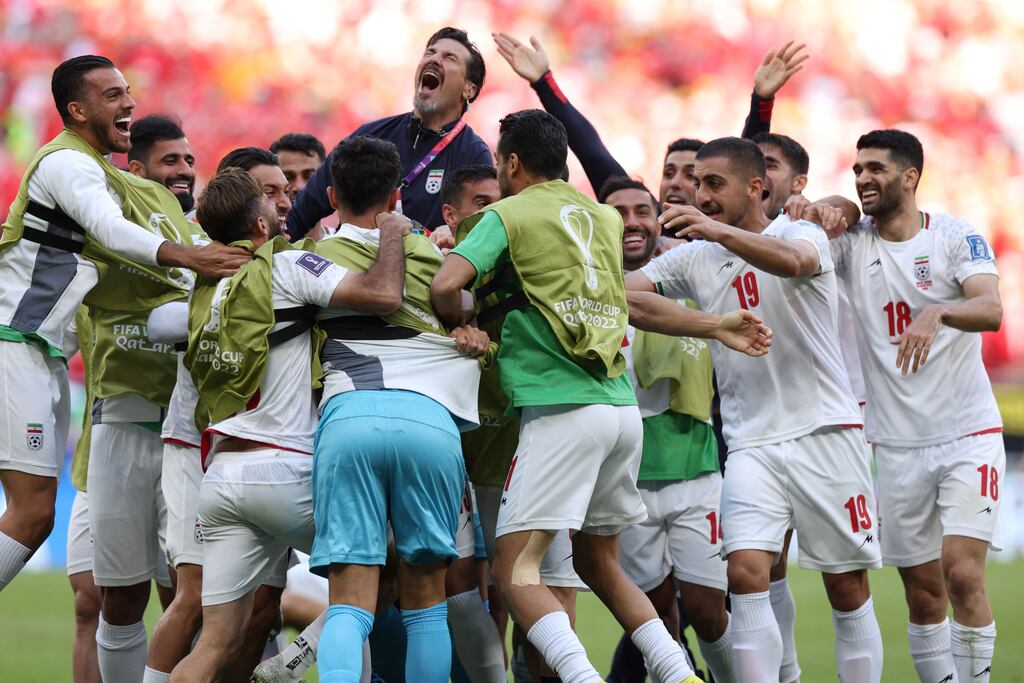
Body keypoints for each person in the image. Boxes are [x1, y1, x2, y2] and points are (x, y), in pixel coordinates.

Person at [431, 110, 771, 683]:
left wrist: (459, 323)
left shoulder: (506, 215)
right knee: (600, 562)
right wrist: (714, 325)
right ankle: (678, 672)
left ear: (511, 163)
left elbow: (445, 285)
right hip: (619, 411)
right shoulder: (600, 219)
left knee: (516, 567)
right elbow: (633, 305)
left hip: (561, 411)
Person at [627, 137, 884, 683]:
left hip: (825, 432)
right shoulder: (695, 256)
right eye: (698, 184)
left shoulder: (798, 232)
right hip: (750, 446)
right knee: (746, 576)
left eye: (713, 183)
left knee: (846, 586)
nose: (702, 194)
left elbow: (795, 262)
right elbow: (627, 295)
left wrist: (719, 230)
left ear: (756, 187)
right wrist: (707, 323)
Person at [168, 164, 409, 681]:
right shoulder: (288, 267)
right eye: (268, 200)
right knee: (397, 554)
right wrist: (391, 232)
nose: (281, 206)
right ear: (256, 225)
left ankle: (283, 664)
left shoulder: (207, 287)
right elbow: (384, 295)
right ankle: (293, 663)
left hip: (222, 476)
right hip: (284, 468)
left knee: (213, 646)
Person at [818, 130, 1003, 683]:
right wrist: (833, 206)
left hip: (968, 435)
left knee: (962, 574)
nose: (862, 178)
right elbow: (811, 228)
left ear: (910, 178)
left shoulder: (954, 236)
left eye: (875, 168)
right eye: (857, 170)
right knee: (924, 597)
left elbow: (990, 308)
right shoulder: (853, 245)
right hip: (896, 447)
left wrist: (939, 311)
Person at [305, 135, 490, 683]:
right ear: (396, 197)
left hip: (349, 420)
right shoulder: (435, 256)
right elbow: (466, 309)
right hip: (430, 423)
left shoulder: (309, 259)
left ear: (332, 193)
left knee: (349, 603)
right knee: (426, 603)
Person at [598, 176, 737, 683]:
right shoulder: (583, 291)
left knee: (707, 612)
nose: (632, 222)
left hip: (694, 469)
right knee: (657, 622)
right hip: (624, 483)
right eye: (618, 213)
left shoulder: (691, 277)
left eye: (642, 211)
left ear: (658, 219)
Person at [286, 27, 492, 237]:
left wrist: (452, 232)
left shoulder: (473, 154)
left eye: (449, 57)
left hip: (424, 268)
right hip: (352, 264)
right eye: (430, 53)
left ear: (469, 89)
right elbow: (307, 206)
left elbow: (481, 234)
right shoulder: (370, 135)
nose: (434, 59)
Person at [127, 114, 197, 215]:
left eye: (189, 162)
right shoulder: (115, 223)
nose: (187, 171)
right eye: (170, 161)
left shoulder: (201, 228)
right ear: (137, 170)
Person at [271, 132, 328, 240]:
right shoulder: (249, 252)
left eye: (310, 177)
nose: (299, 187)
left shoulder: (351, 247)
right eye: (287, 177)